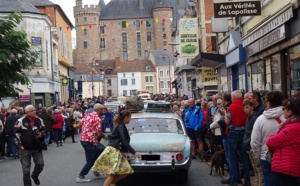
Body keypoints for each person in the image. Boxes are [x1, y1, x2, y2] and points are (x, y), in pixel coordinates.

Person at [92, 110, 140, 186]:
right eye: (130, 117)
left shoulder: (120, 125)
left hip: (115, 150)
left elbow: (119, 137)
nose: (130, 119)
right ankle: (111, 183)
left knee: (126, 170)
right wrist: (134, 152)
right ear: (126, 117)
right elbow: (124, 141)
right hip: (114, 150)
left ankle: (112, 183)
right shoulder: (121, 126)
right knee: (113, 174)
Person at [251, 91, 285, 186]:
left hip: (267, 157)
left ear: (268, 103)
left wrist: (260, 155)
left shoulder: (260, 119)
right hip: (287, 156)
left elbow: (254, 142)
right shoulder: (288, 117)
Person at [266, 99, 300, 186]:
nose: (283, 111)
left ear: (290, 111)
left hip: (289, 167)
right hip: (289, 166)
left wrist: (271, 136)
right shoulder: (292, 124)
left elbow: (271, 142)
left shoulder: (292, 127)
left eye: (284, 109)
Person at [222, 90, 250, 186]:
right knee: (244, 157)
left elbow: (227, 122)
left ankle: (234, 180)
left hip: (233, 132)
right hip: (243, 132)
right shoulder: (245, 106)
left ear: (233, 98)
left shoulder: (232, 107)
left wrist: (226, 115)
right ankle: (247, 180)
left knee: (233, 157)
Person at [14, 105, 46, 186]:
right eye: (32, 111)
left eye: (34, 110)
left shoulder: (39, 120)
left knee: (40, 164)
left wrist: (42, 134)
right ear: (26, 112)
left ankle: (35, 175)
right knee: (26, 170)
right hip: (25, 148)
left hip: (37, 147)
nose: (34, 112)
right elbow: (15, 134)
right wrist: (19, 145)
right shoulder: (20, 121)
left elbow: (45, 130)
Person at [76, 104, 108, 183]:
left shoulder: (87, 115)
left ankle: (96, 171)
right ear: (99, 110)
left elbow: (78, 125)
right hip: (90, 140)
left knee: (95, 154)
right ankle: (81, 176)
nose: (103, 111)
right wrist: (104, 136)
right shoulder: (97, 118)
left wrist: (85, 130)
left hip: (83, 139)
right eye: (102, 109)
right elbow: (99, 133)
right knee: (92, 159)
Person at [243, 100, 263, 186]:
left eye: (247, 107)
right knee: (255, 168)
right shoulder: (249, 117)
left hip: (252, 145)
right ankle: (257, 183)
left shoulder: (254, 118)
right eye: (244, 108)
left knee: (258, 168)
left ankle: (260, 183)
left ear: (252, 107)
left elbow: (255, 133)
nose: (245, 109)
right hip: (248, 145)